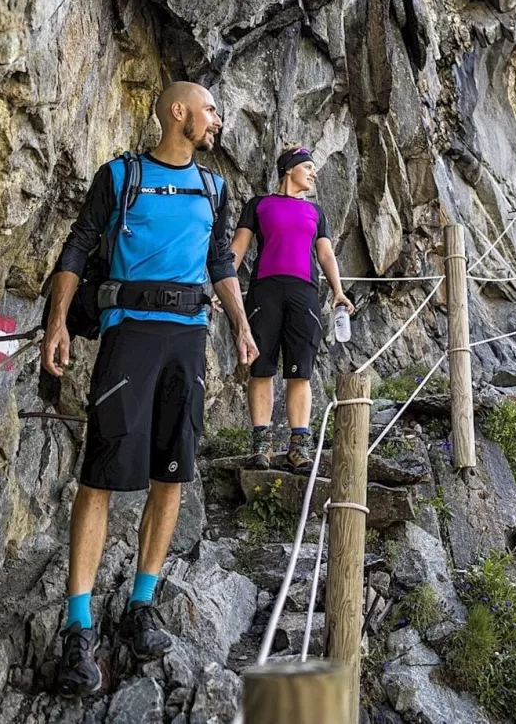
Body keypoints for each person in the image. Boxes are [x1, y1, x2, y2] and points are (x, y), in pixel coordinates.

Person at [41, 82, 258, 698]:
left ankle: (142, 604)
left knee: (173, 474)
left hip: (188, 342)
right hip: (129, 335)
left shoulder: (215, 188)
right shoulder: (121, 176)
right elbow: (79, 245)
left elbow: (221, 262)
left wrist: (241, 327)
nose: (218, 121)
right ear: (178, 112)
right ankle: (77, 628)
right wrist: (57, 322)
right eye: (211, 110)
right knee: (100, 476)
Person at [229, 144, 354, 471]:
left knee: (301, 370)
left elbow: (325, 255)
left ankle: (299, 447)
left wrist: (338, 291)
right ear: (289, 169)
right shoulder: (258, 205)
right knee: (261, 367)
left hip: (305, 294)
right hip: (264, 292)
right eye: (308, 167)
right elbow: (237, 250)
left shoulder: (317, 212)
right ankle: (261, 447)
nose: (313, 173)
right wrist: (220, 288)